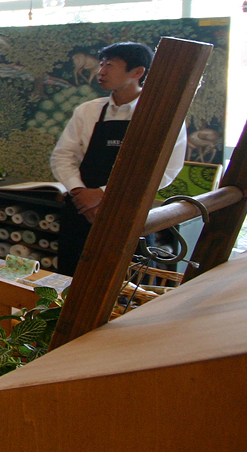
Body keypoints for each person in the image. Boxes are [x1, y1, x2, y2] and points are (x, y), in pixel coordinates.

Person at [50, 41, 187, 276]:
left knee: (128, 282)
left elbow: (166, 170)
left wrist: (102, 194)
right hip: (81, 210)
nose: (101, 72)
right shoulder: (87, 111)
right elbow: (62, 155)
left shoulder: (162, 116)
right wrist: (80, 193)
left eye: (110, 66)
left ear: (137, 72)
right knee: (72, 278)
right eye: (101, 65)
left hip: (128, 212)